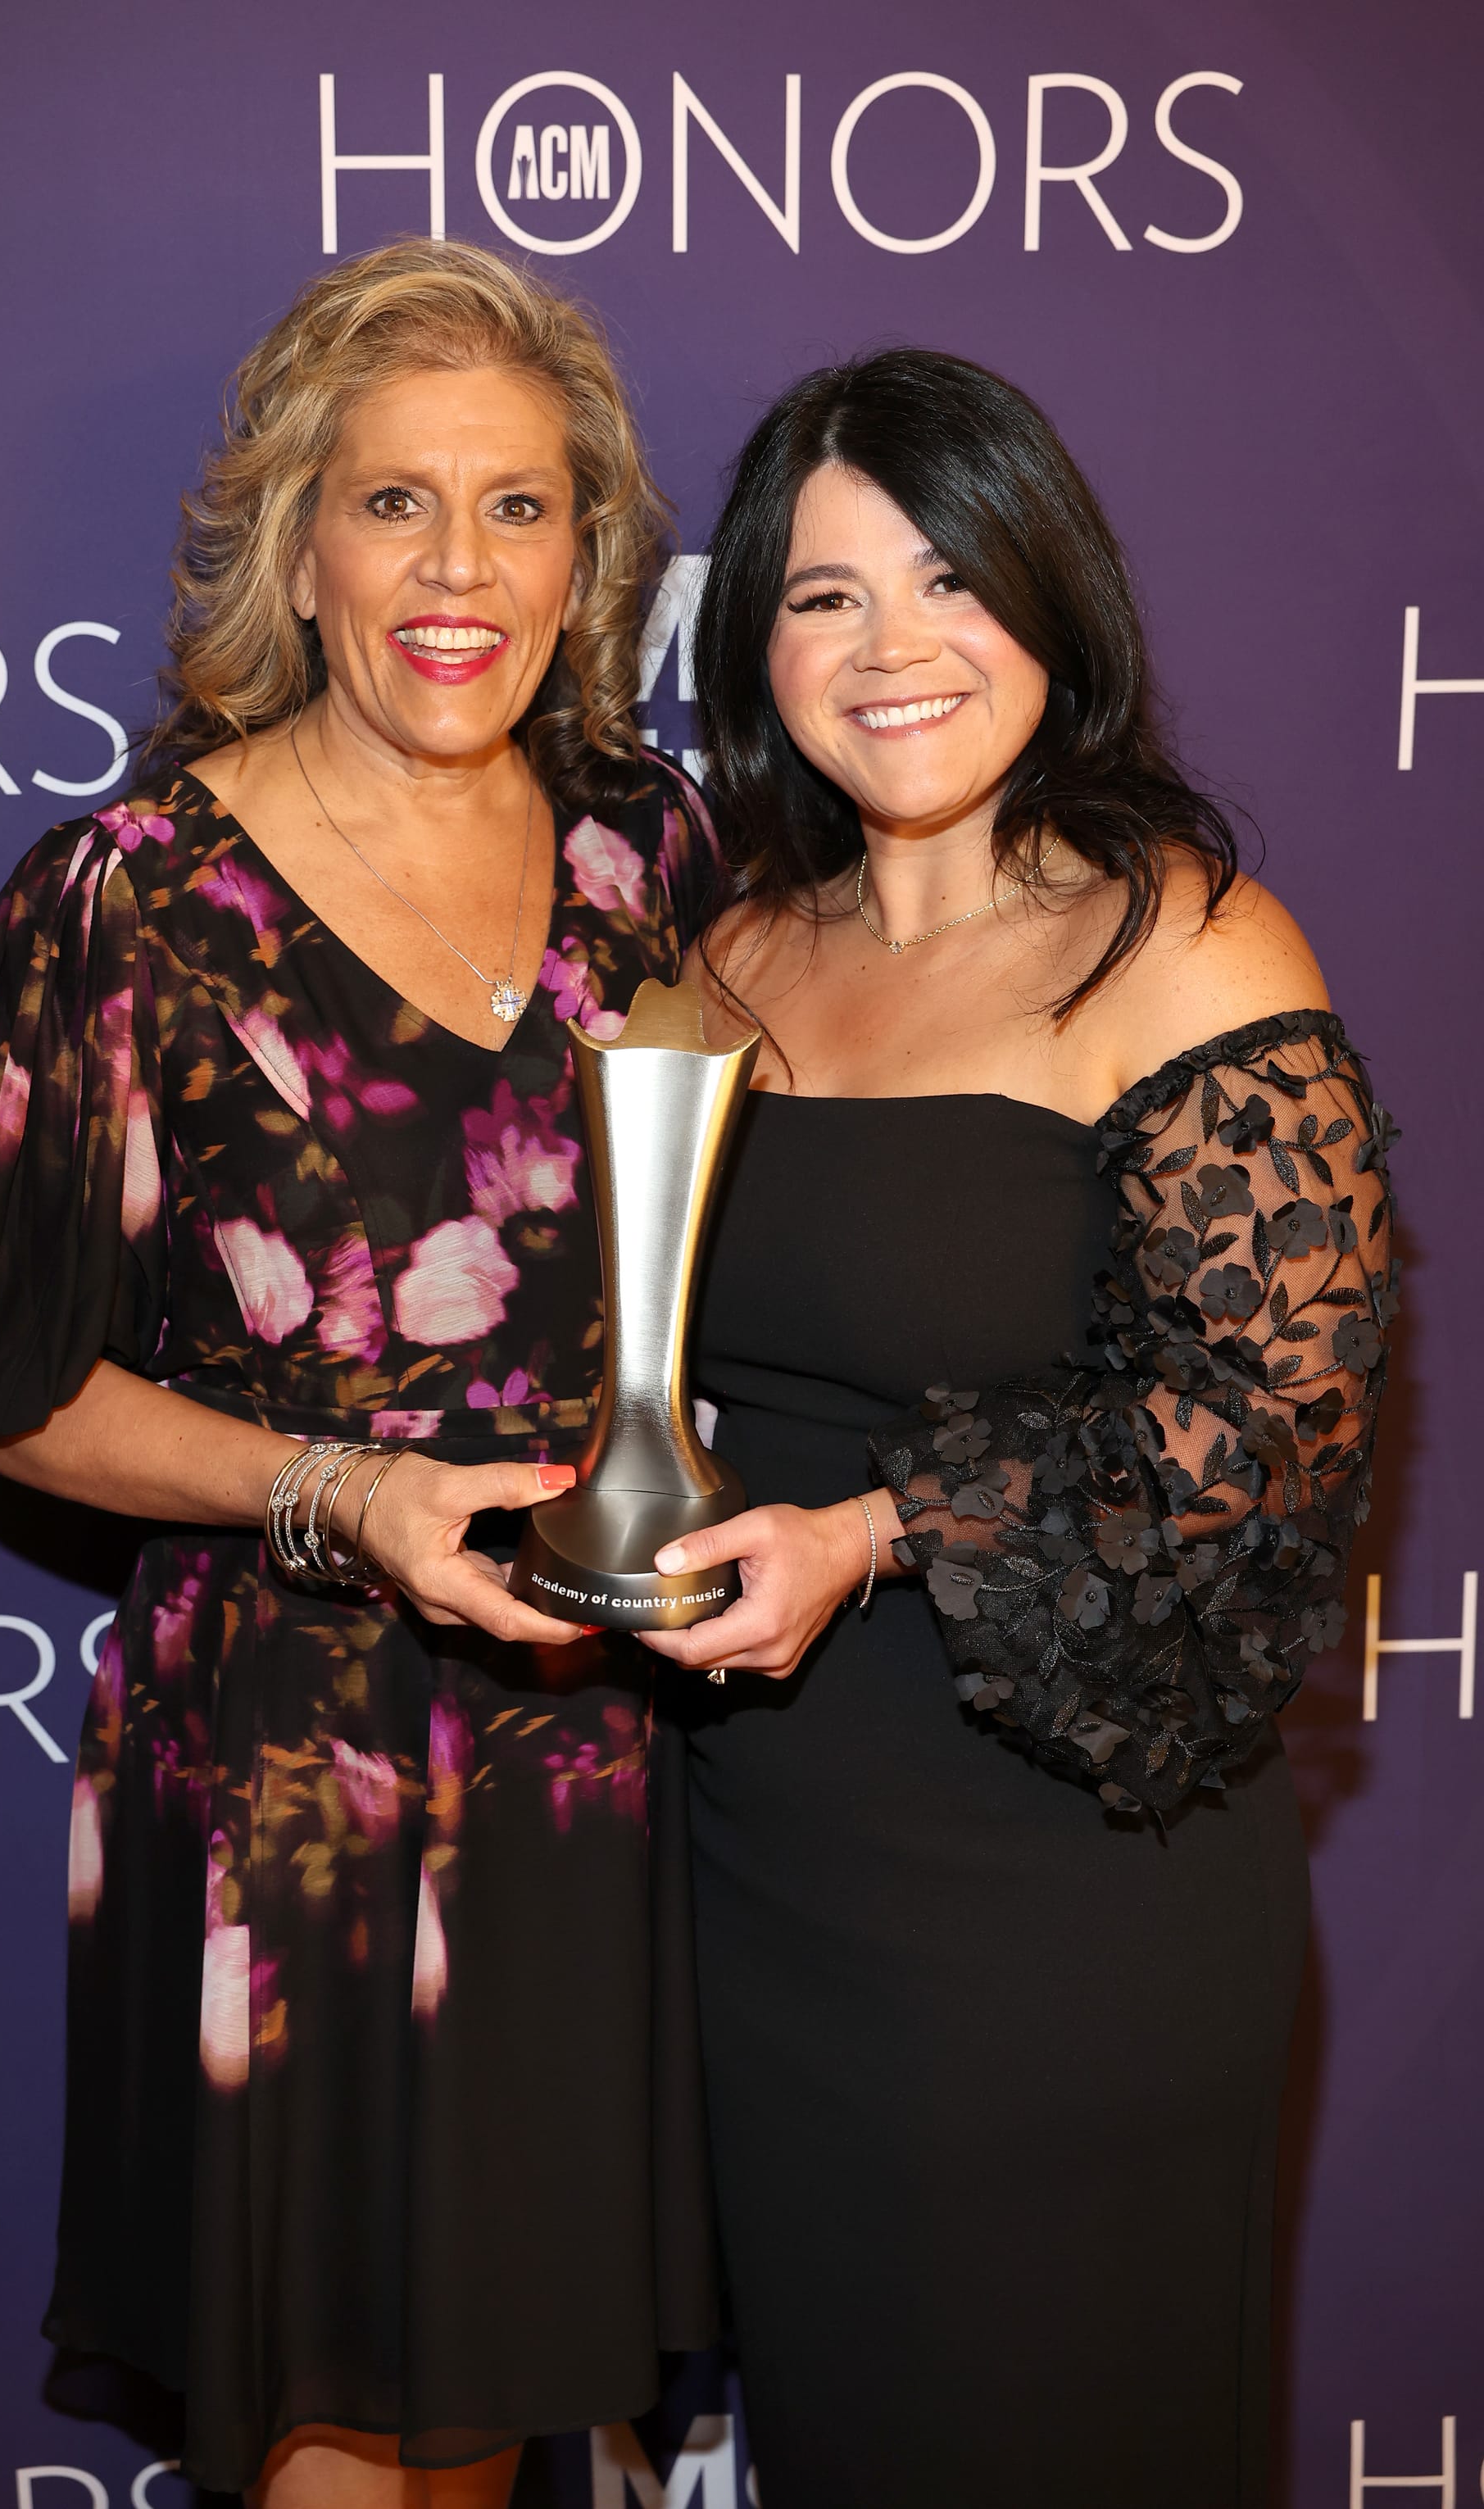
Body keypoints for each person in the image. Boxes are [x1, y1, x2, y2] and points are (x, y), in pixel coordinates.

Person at [0, 239, 720, 2509]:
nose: (460, 571)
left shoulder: (657, 853)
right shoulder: (124, 900)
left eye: (519, 508)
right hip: (295, 1778)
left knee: (511, 2427)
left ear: (589, 557)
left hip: (602, 1760)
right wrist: (339, 1494)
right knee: (341, 2432)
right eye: (395, 504)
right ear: (296, 542)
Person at [640, 349, 1396, 2507]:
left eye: (950, 579)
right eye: (825, 596)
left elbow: (1266, 1429)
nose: (893, 647)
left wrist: (873, 1528)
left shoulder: (1182, 944)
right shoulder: (727, 962)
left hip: (1066, 1890)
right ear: (755, 644)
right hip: (764, 1874)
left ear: (1051, 600)